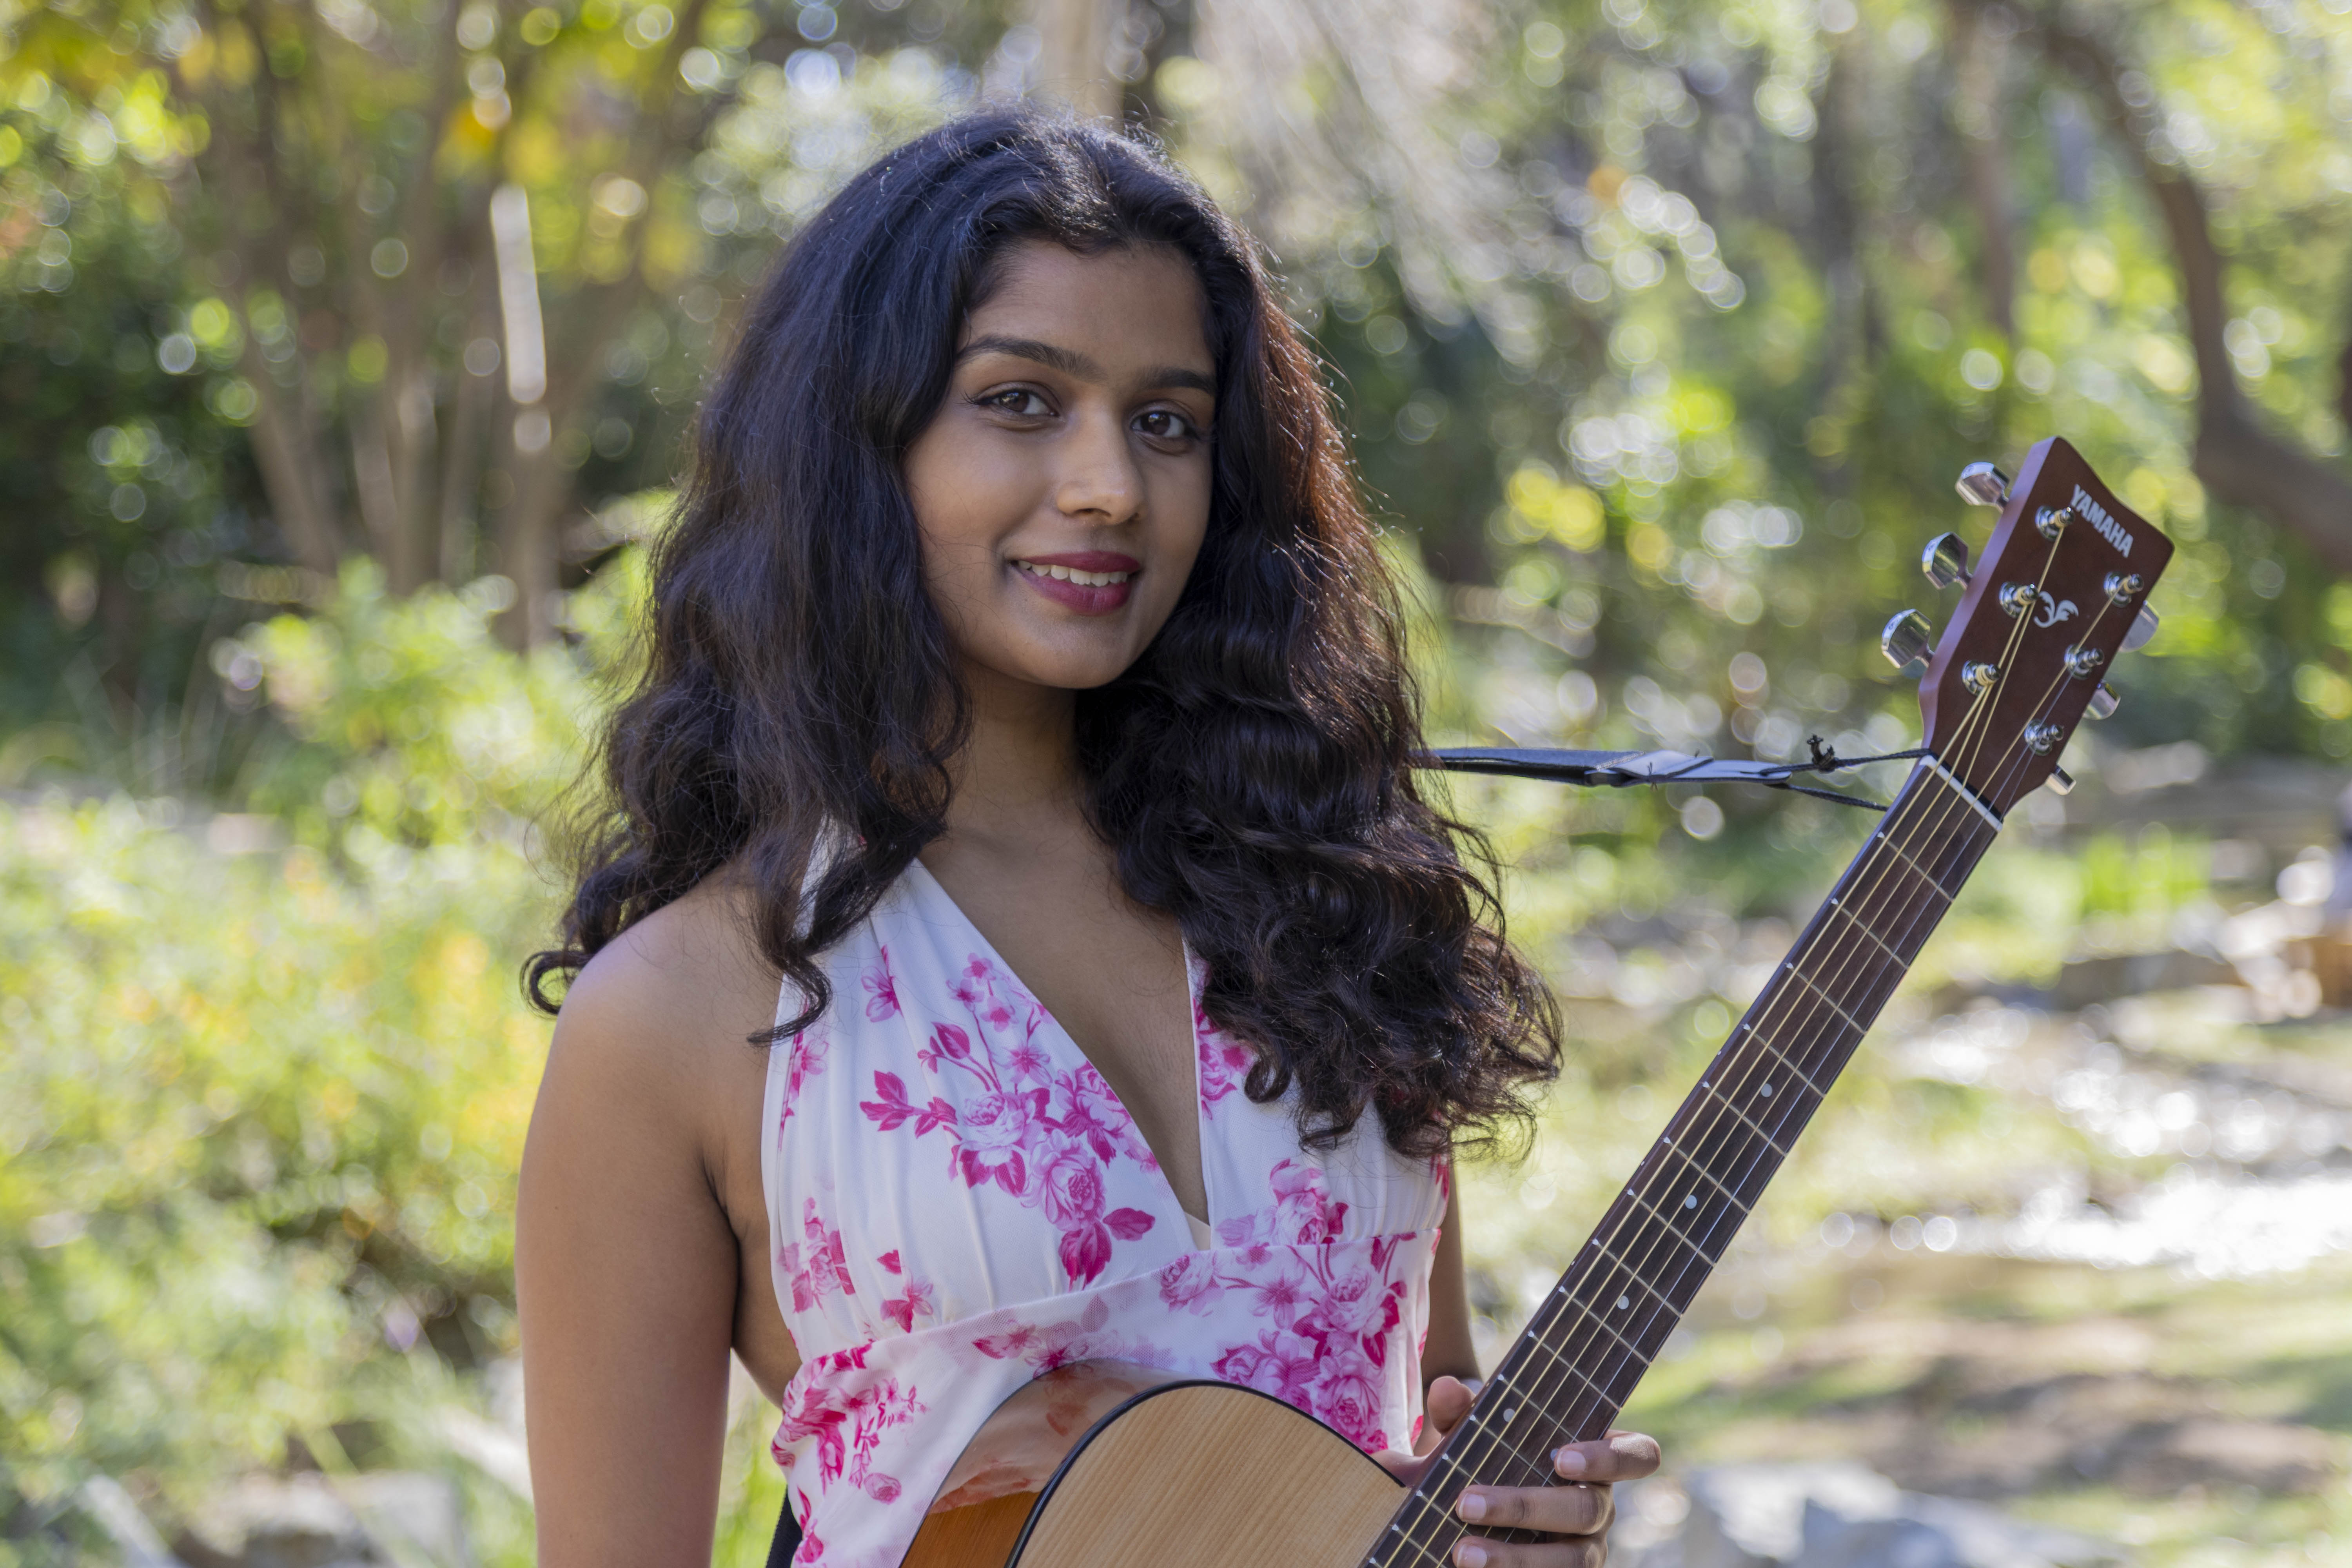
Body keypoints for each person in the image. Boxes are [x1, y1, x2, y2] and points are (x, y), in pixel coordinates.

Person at [515, 108, 1661, 1568]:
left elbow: (1412, 1445)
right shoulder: (683, 1014)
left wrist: (1521, 1529)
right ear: (857, 446)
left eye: (1168, 422)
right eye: (1020, 400)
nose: (1112, 483)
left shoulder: (1326, 903)